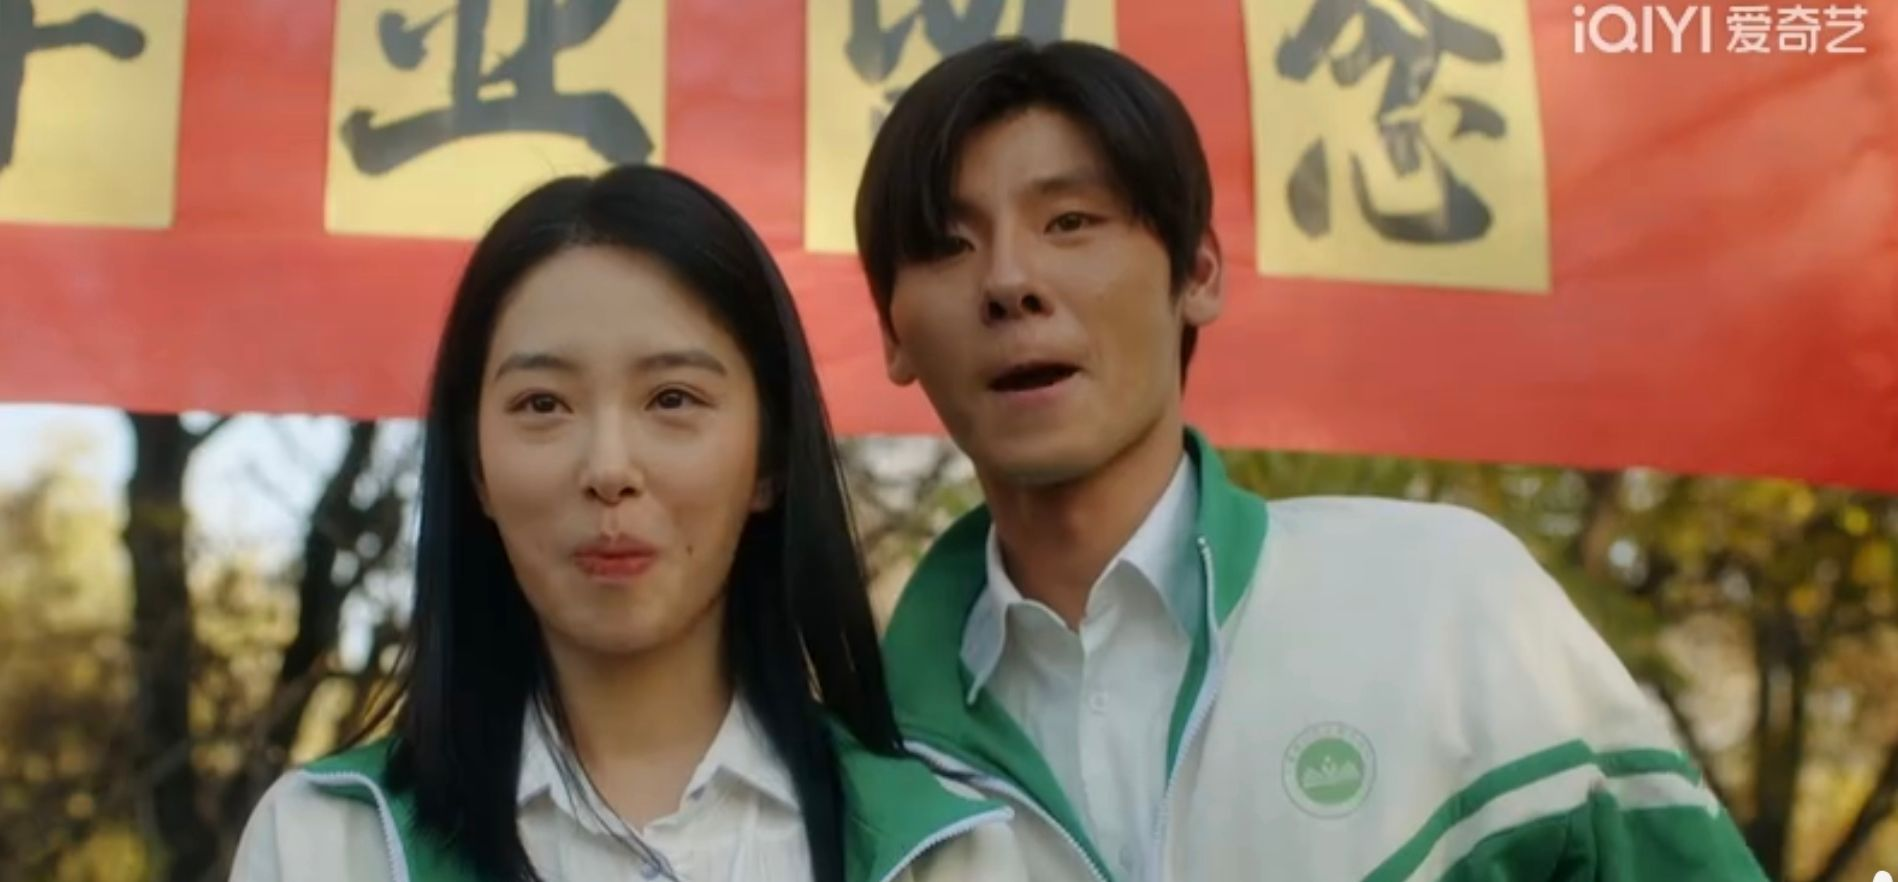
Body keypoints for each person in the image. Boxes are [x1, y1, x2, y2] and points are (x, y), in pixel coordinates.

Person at [854, 38, 1768, 882]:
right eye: (947, 245)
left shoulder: (1444, 601)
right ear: (893, 331)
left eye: (1070, 221)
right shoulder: (862, 770)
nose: (1009, 281)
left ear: (1198, 273)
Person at [230, 166, 1026, 882]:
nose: (609, 467)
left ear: (769, 458)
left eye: (672, 398)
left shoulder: (939, 853)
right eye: (543, 404)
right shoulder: (329, 845)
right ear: (475, 467)